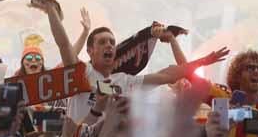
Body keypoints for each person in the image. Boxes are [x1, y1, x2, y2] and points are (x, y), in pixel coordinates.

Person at [64, 25, 226, 124]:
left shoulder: (123, 81)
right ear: (90, 51)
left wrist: (204, 60)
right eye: (102, 42)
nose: (109, 46)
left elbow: (167, 75)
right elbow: (63, 46)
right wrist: (52, 10)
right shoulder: (82, 72)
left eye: (112, 42)